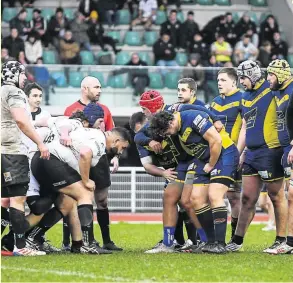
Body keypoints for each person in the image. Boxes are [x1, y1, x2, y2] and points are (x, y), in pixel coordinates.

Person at [148, 108, 239, 254]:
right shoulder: (177, 125)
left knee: (214, 195)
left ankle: (220, 244)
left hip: (224, 153)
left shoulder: (192, 117)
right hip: (205, 159)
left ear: (171, 122)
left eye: (167, 132)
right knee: (195, 198)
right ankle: (210, 242)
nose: (168, 136)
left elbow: (216, 140)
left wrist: (210, 164)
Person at [31, 123, 131, 254]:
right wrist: (85, 181)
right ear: (116, 141)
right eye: (122, 147)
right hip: (50, 160)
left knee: (66, 204)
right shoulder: (100, 140)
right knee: (85, 193)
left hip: (42, 160)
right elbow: (85, 153)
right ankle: (88, 244)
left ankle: (33, 237)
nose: (121, 152)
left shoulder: (92, 134)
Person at [226, 60, 288, 253]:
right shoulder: (245, 97)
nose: (241, 82)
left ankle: (282, 239)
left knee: (276, 196)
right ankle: (237, 241)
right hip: (251, 153)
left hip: (270, 150)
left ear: (252, 75)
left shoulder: (272, 91)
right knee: (247, 199)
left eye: (243, 78)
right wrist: (239, 152)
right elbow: (245, 126)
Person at [63, 76, 122, 251]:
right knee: (74, 200)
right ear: (85, 89)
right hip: (78, 159)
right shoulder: (70, 109)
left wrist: (115, 157)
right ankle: (70, 242)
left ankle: (107, 241)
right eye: (96, 87)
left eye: (100, 87)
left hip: (101, 158)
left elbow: (112, 136)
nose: (99, 90)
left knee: (102, 200)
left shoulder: (105, 109)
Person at [1, 61, 49, 256]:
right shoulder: (14, 92)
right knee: (17, 199)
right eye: (22, 74)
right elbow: (20, 120)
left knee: (4, 200)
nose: (25, 79)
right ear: (14, 75)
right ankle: (20, 246)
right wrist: (40, 142)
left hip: (3, 150)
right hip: (13, 151)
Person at [209, 67, 242, 241]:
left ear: (233, 82)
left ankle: (234, 238)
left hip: (235, 153)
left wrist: (241, 152)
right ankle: (212, 237)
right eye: (218, 80)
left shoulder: (242, 99)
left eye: (223, 80)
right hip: (217, 154)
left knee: (234, 197)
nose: (219, 83)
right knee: (215, 195)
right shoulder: (214, 102)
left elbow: (246, 126)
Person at [266, 59, 293, 254]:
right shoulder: (279, 93)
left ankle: (289, 243)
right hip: (285, 150)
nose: (268, 78)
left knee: (291, 195)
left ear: (281, 75)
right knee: (290, 196)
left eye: (271, 74)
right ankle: (289, 242)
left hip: (291, 149)